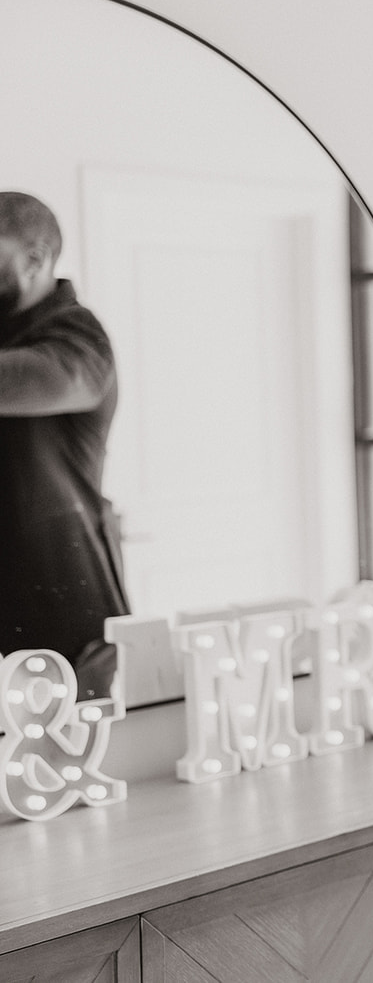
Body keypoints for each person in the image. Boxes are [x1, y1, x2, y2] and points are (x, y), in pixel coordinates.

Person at [0, 191, 128, 699]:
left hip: (62, 604)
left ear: (34, 259)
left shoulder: (80, 336)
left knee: (67, 766)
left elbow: (34, 381)